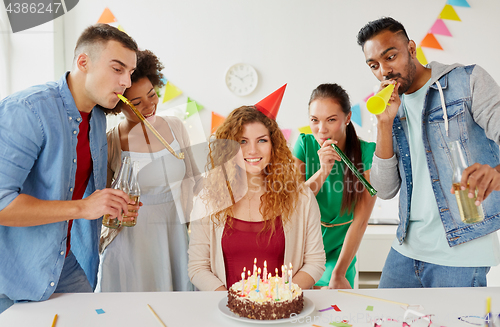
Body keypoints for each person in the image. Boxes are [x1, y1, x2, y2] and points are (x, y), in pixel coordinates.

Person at [0, 24, 138, 313]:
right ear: (83, 62)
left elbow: (83, 193)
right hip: (10, 271)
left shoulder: (98, 119)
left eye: (130, 73)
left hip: (64, 261)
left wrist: (109, 205)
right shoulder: (27, 111)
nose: (126, 81)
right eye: (117, 68)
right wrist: (82, 208)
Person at [357, 17, 500, 288]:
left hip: (462, 251)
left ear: (411, 49)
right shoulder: (391, 108)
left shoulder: (467, 81)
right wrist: (385, 125)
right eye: (374, 65)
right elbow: (385, 190)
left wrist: (496, 173)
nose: (384, 71)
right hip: (406, 249)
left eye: (391, 56)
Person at [188, 88, 326, 291]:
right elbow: (198, 267)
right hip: (226, 310)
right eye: (242, 142)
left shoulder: (301, 197)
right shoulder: (207, 199)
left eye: (262, 140)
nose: (252, 150)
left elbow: (315, 262)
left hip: (281, 310)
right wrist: (231, 302)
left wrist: (277, 298)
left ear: (274, 145)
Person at [97, 50, 202, 292]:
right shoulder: (111, 141)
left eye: (152, 95)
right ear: (118, 105)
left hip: (173, 231)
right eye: (136, 103)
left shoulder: (176, 126)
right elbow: (102, 200)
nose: (149, 106)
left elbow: (197, 181)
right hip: (130, 239)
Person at [293, 83, 377, 289]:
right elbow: (293, 204)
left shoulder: (367, 153)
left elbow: (361, 220)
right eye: (314, 120)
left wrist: (339, 273)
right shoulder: (304, 144)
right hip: (303, 244)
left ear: (348, 118)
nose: (321, 130)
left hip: (341, 249)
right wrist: (323, 171)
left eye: (331, 120)